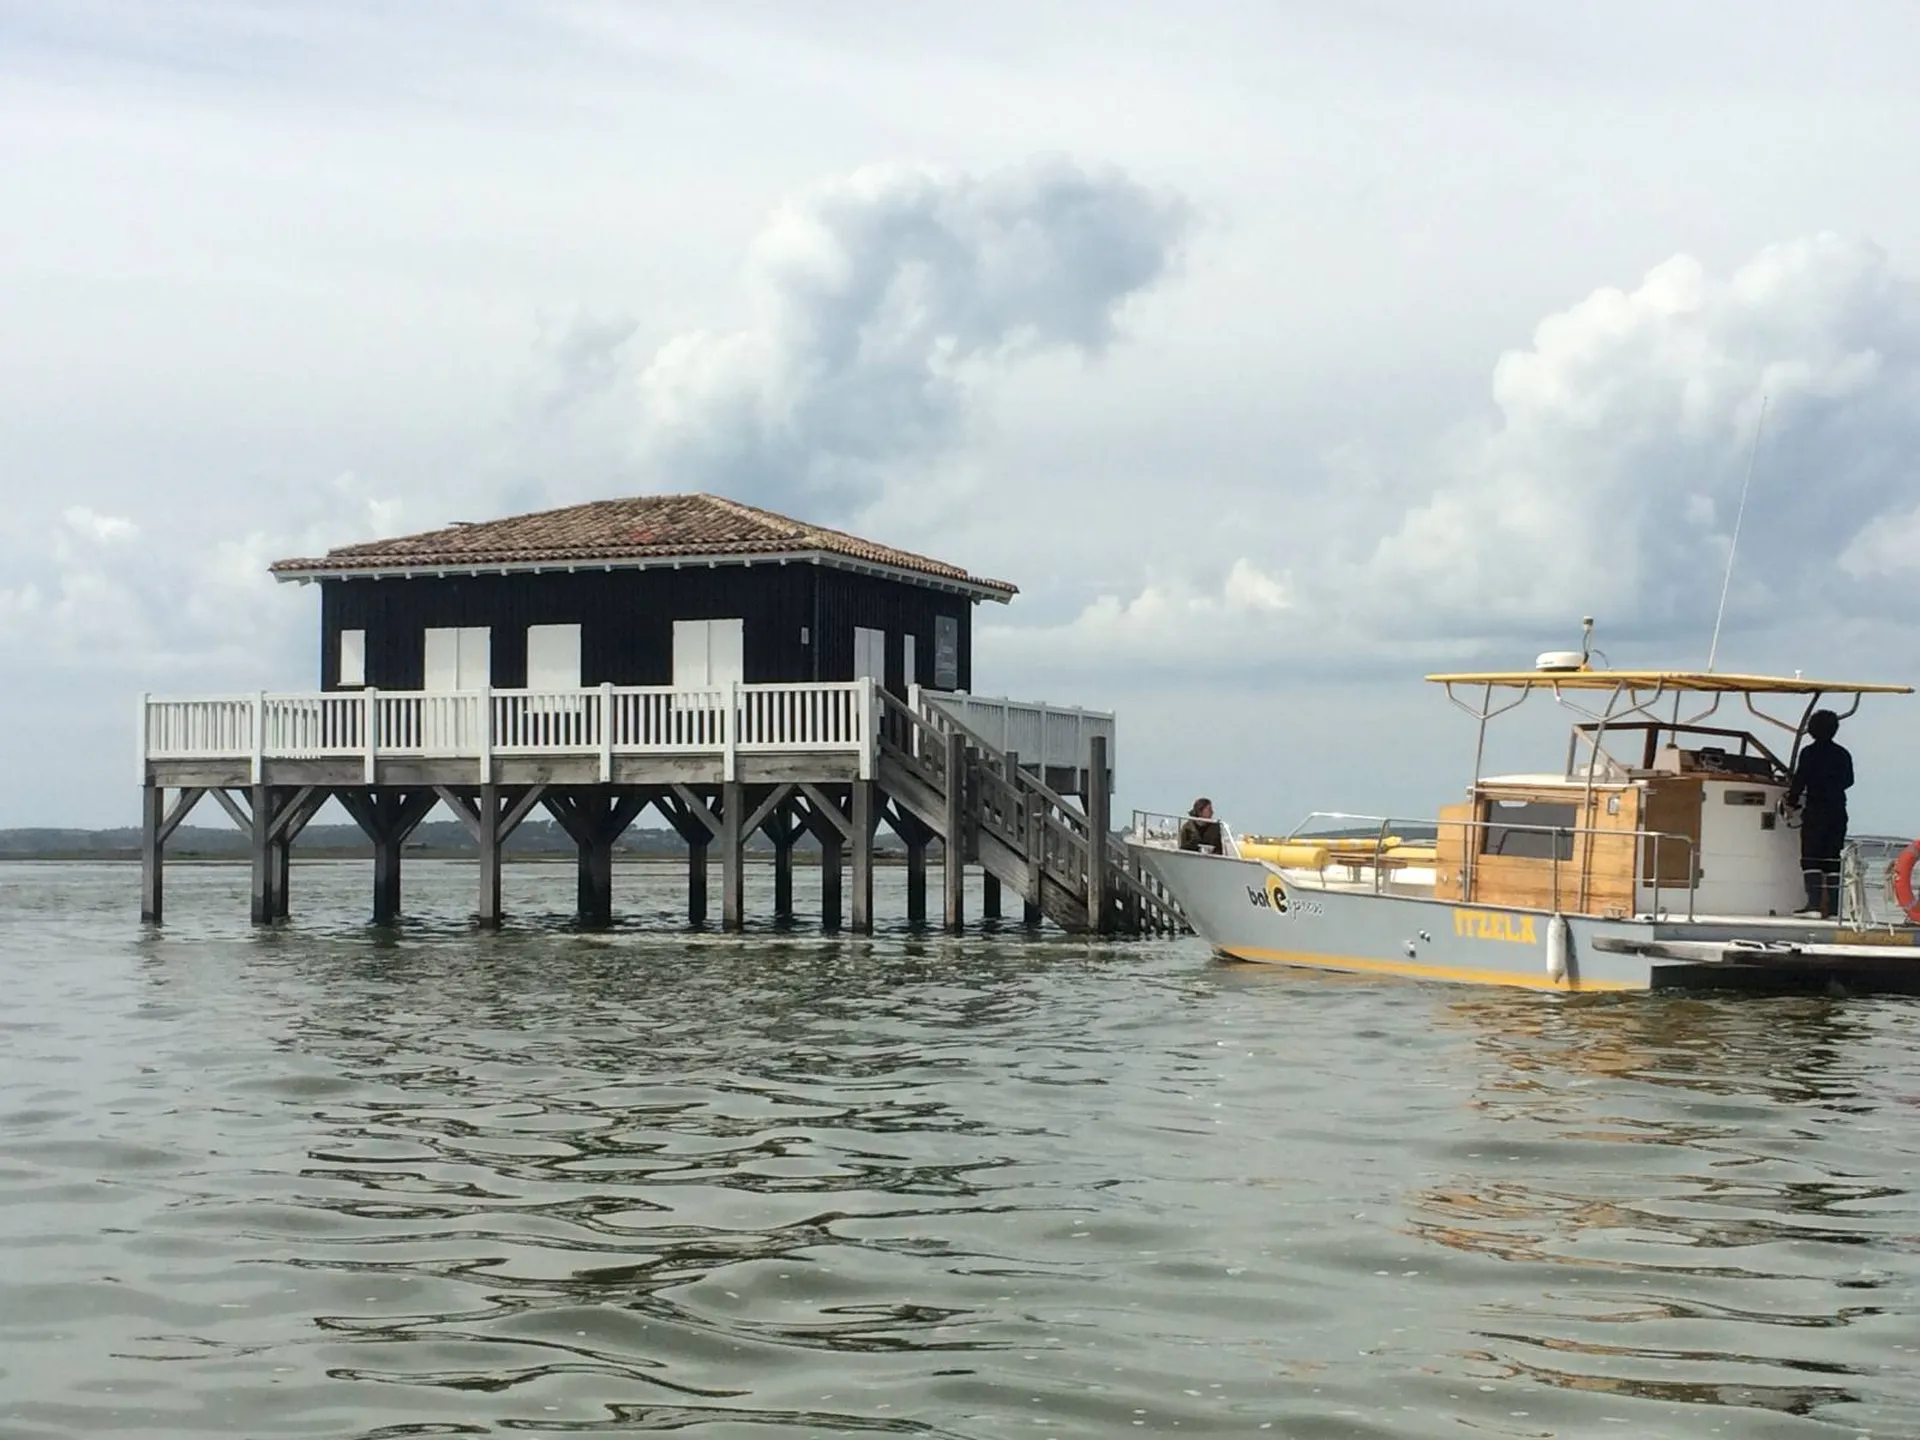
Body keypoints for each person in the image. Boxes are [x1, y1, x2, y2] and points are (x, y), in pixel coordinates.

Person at [1786, 708, 1853, 918]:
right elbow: (1849, 780)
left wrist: (1792, 801)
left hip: (1816, 809)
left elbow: (1800, 779)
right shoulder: (1842, 753)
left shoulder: (1809, 753)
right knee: (1832, 858)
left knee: (1811, 857)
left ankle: (1814, 906)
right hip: (1838, 810)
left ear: (1812, 729)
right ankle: (1833, 910)